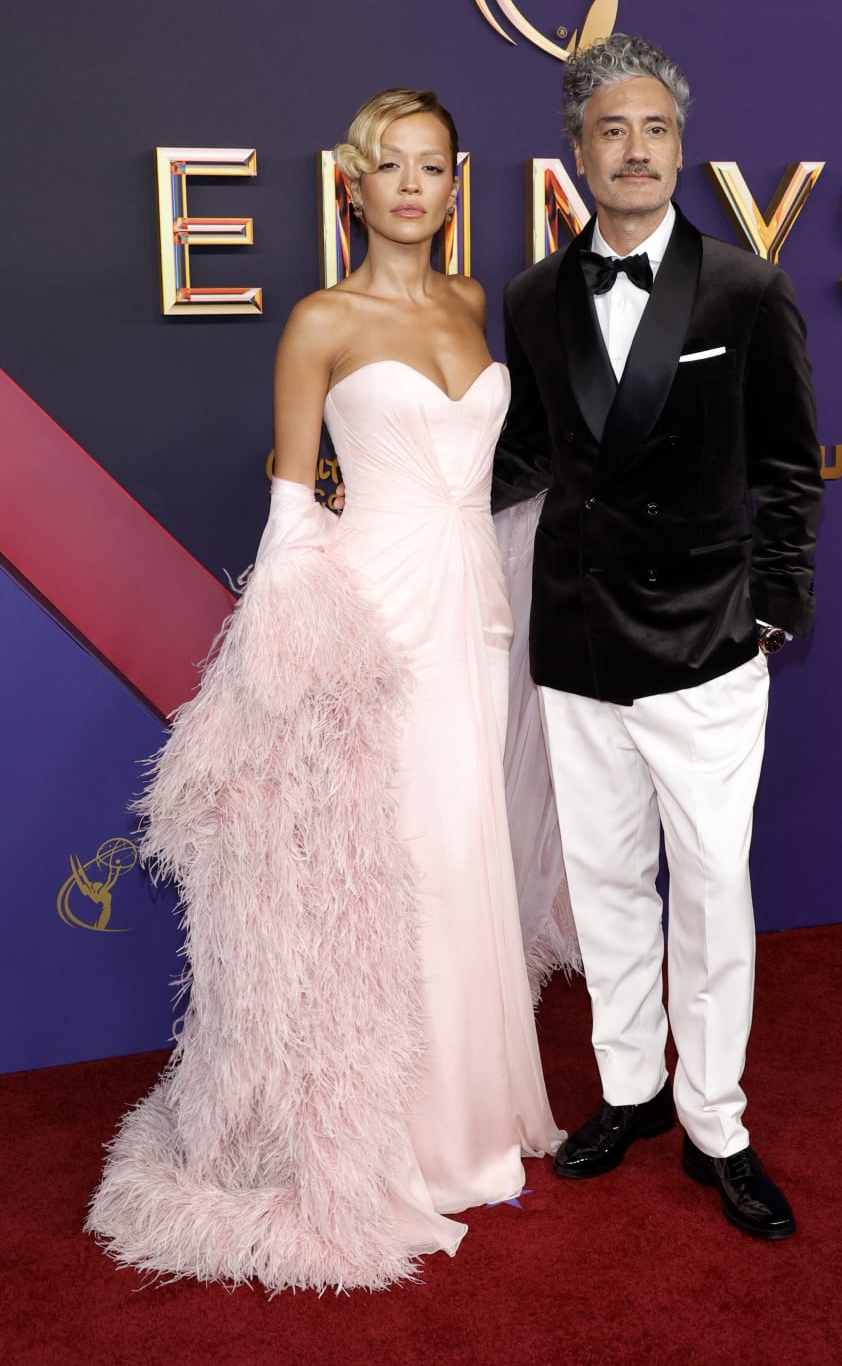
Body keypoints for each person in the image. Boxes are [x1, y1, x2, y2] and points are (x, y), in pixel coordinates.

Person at [87, 88, 562, 1293]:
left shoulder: (471, 303)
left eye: (434, 166)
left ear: (457, 185)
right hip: (374, 623)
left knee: (465, 851)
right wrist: (280, 674)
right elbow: (294, 508)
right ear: (352, 184)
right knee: (381, 865)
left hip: (472, 613)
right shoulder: (320, 320)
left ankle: (473, 1123)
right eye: (389, 166)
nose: (412, 185)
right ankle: (391, 1141)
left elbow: (493, 469)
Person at [493, 34, 824, 1241]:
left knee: (714, 889)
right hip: (577, 637)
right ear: (576, 151)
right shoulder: (532, 296)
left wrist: (773, 604)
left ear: (680, 149)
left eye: (656, 131)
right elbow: (526, 452)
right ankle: (629, 1090)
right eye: (610, 131)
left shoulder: (744, 288)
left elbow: (789, 466)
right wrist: (399, 488)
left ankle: (717, 1123)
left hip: (707, 640)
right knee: (605, 885)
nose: (634, 151)